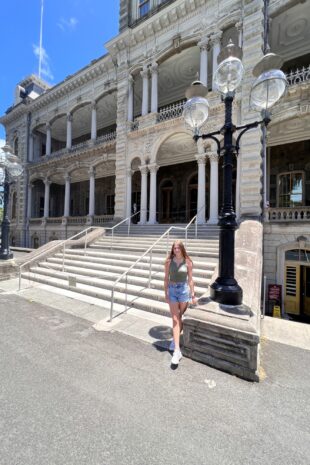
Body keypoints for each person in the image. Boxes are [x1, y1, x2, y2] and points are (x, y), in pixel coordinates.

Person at [164, 240, 197, 365]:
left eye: (178, 248)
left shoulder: (188, 262)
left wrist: (193, 294)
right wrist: (165, 293)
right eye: (174, 248)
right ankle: (177, 350)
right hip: (172, 291)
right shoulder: (168, 262)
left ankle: (175, 339)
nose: (176, 250)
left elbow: (191, 280)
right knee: (175, 319)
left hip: (183, 291)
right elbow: (166, 278)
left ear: (182, 249)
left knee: (180, 317)